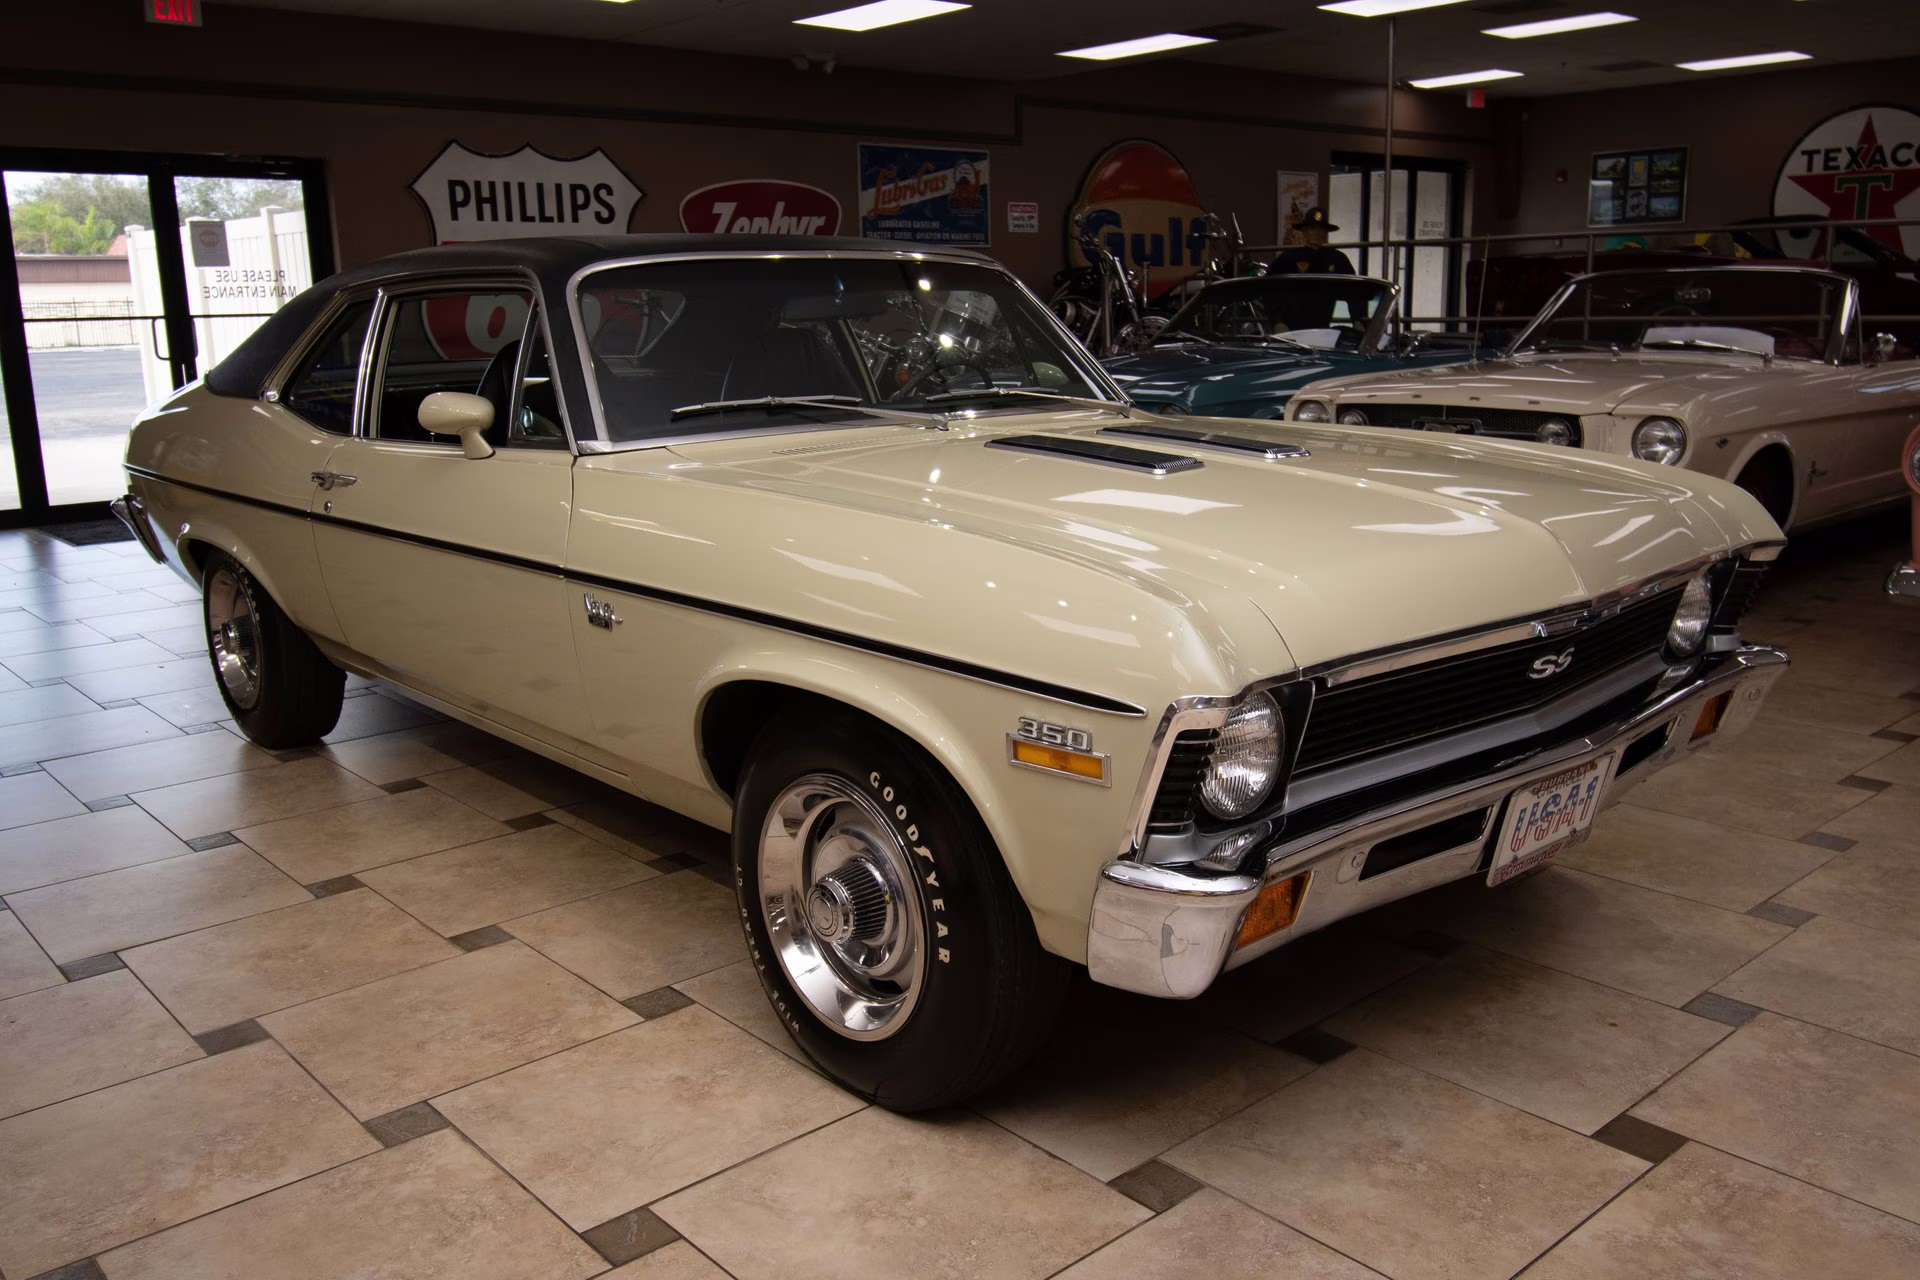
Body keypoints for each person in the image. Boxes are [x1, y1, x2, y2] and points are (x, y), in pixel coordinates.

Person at [1271, 206, 1354, 275]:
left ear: (1326, 232)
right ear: (1304, 231)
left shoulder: (1339, 259)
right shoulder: (1288, 257)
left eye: (1321, 229)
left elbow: (1353, 287)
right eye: (1312, 229)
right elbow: (1271, 284)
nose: (1317, 233)